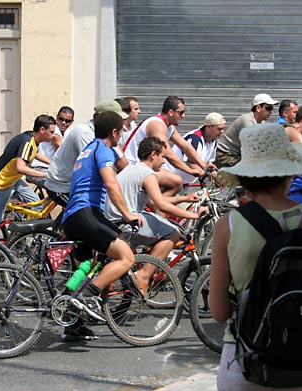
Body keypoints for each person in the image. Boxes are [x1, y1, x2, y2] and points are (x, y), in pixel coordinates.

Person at [209, 123, 302, 391]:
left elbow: (220, 312)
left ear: (245, 177)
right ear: (290, 173)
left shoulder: (229, 225)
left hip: (246, 361)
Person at [61, 111, 143, 331]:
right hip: (86, 213)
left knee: (88, 269)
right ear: (114, 132)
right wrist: (127, 214)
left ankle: (74, 324)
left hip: (72, 217)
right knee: (126, 256)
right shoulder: (103, 150)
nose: (122, 136)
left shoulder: (87, 150)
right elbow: (111, 183)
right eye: (122, 132)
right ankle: (89, 296)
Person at [105, 137, 203, 294]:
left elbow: (154, 200)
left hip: (113, 221)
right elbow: (161, 205)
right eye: (163, 157)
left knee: (160, 223)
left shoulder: (131, 169)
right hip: (127, 223)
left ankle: (147, 265)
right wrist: (194, 216)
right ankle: (144, 275)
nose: (164, 162)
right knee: (174, 232)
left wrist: (184, 198)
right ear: (153, 154)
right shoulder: (148, 174)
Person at [0, 115, 55, 237]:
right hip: (1, 183)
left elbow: (35, 153)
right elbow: (21, 167)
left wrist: (52, 164)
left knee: (37, 206)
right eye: (52, 132)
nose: (53, 135)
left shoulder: (30, 138)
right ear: (42, 130)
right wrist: (46, 175)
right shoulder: (27, 142)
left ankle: (19, 239)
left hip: (14, 181)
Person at [44, 100, 129, 207]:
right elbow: (97, 166)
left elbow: (123, 164)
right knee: (87, 211)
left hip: (77, 184)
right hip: (61, 185)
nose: (122, 123)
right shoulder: (84, 133)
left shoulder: (108, 134)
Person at [122, 96, 206, 195]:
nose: (183, 116)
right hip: (134, 165)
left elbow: (185, 146)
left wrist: (203, 166)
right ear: (171, 112)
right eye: (181, 112)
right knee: (177, 182)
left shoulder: (169, 127)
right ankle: (156, 207)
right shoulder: (157, 125)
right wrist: (190, 171)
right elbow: (167, 153)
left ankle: (156, 203)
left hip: (146, 165)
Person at [215, 93, 278, 168]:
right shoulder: (247, 122)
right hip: (224, 155)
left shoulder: (261, 123)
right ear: (258, 108)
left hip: (237, 155)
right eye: (268, 108)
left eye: (272, 109)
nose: (271, 112)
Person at [164, 112, 225, 184]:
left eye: (223, 129)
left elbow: (208, 163)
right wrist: (208, 174)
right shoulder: (195, 139)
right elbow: (189, 163)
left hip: (184, 181)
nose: (222, 132)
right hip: (171, 176)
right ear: (209, 127)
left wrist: (214, 172)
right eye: (219, 129)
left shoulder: (213, 141)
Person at [28, 106, 76, 188]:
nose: (64, 123)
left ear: (72, 122)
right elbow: (64, 152)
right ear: (57, 118)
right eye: (61, 119)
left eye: (67, 121)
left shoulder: (68, 132)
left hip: (51, 168)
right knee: (64, 185)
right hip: (38, 167)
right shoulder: (53, 131)